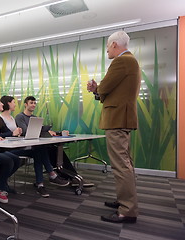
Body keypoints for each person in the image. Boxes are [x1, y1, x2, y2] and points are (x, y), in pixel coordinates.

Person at [87, 31, 140, 223]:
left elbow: (106, 87)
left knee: (121, 165)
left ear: (115, 45)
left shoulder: (121, 61)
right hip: (122, 118)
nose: (107, 50)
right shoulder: (130, 61)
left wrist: (95, 88)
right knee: (125, 163)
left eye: (108, 46)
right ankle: (125, 201)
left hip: (118, 119)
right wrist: (99, 90)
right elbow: (110, 90)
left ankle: (127, 209)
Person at [0, 96, 69, 198]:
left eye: (34, 103)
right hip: (12, 149)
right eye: (13, 102)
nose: (15, 104)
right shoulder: (10, 118)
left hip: (20, 145)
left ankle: (41, 184)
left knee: (39, 150)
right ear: (8, 103)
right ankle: (51, 175)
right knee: (40, 150)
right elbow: (17, 132)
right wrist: (14, 133)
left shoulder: (12, 118)